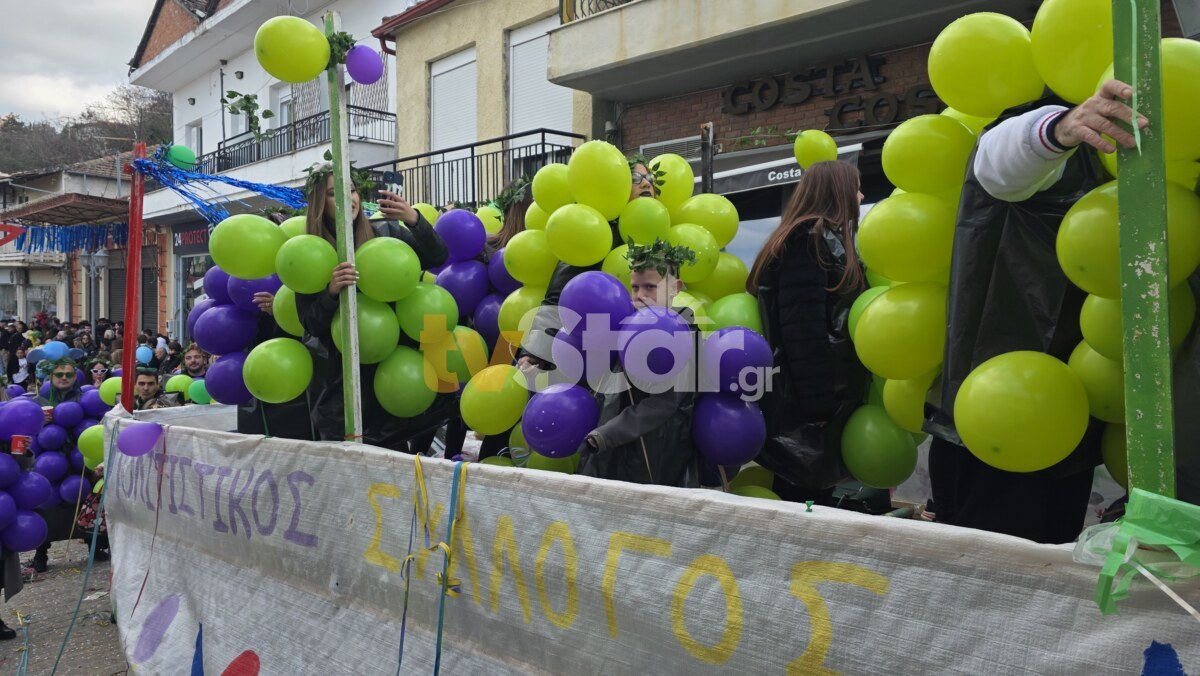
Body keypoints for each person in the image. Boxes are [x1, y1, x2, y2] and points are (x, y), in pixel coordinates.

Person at [923, 80, 1151, 544]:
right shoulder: (1041, 129)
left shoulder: (1128, 157)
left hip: (1073, 412)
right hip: (1004, 409)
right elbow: (999, 163)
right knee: (991, 561)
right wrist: (1062, 128)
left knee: (1050, 557)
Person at [294, 165, 451, 452]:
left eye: (352, 190)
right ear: (318, 203)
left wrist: (413, 219)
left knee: (395, 467)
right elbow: (311, 323)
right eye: (334, 193)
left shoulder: (387, 233)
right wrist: (331, 292)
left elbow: (437, 256)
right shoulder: (309, 253)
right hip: (340, 390)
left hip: (392, 379)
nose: (348, 198)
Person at [747, 160, 869, 504]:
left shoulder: (807, 238)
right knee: (805, 502)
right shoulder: (809, 241)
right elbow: (803, 329)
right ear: (837, 193)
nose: (861, 196)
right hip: (808, 405)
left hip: (809, 399)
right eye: (856, 188)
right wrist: (819, 409)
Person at [579, 239, 700, 486]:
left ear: (675, 287)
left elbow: (663, 403)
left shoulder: (683, 336)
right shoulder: (627, 325)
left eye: (650, 287)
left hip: (653, 453)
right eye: (635, 287)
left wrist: (605, 435)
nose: (640, 295)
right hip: (613, 447)